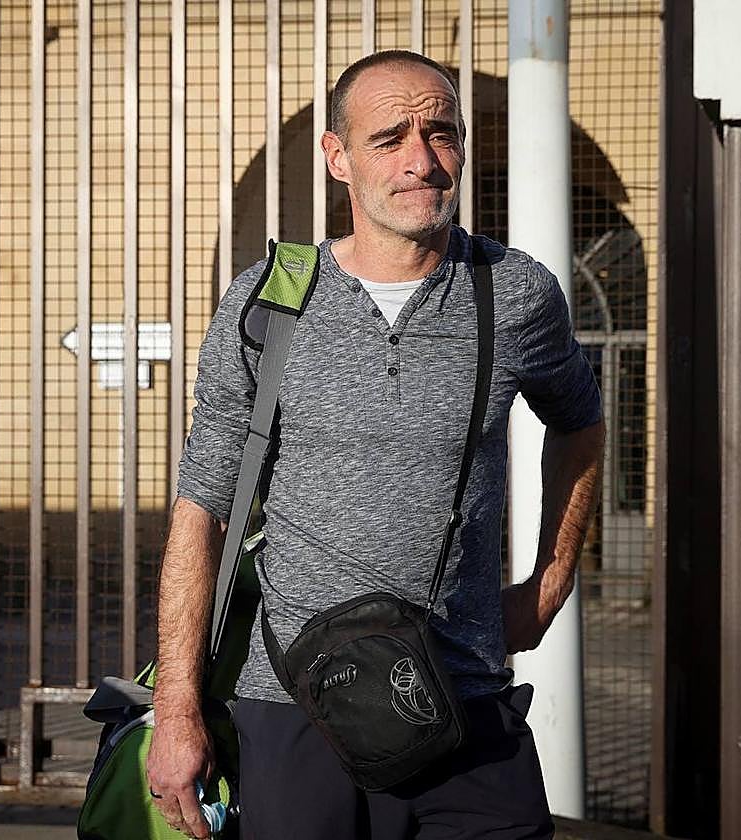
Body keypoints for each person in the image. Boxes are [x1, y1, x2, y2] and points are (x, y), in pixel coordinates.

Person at [145, 49, 605, 840]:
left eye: (441, 133)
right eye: (390, 138)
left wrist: (550, 582)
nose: (421, 160)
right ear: (338, 157)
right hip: (295, 707)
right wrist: (177, 709)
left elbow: (580, 421)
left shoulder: (515, 294)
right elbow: (203, 510)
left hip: (465, 696)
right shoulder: (268, 303)